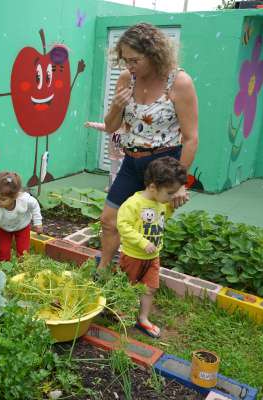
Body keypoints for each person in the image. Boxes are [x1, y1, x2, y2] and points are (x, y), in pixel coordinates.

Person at [97, 22, 199, 271]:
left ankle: (141, 281)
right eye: (125, 60)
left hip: (163, 163)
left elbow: (191, 138)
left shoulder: (179, 82)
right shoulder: (126, 79)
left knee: (148, 226)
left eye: (134, 60)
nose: (129, 67)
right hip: (132, 161)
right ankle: (103, 271)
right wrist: (116, 107)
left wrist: (178, 182)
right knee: (109, 220)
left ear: (154, 54)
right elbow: (111, 127)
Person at [117, 156, 187, 338]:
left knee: (150, 288)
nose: (173, 196)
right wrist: (142, 242)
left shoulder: (160, 202)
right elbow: (123, 225)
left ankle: (143, 318)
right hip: (132, 256)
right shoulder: (133, 204)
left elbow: (160, 221)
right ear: (153, 187)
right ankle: (121, 311)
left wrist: (171, 208)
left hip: (152, 257)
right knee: (127, 286)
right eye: (170, 193)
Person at [0, 172, 43, 261]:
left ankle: (23, 267)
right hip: (4, 229)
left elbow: (35, 205)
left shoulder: (25, 200)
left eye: (3, 199)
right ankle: (4, 267)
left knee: (23, 252)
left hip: (22, 227)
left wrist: (38, 223)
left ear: (15, 196)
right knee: (3, 252)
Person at [84, 121, 124, 191]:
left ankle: (122, 187)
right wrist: (91, 124)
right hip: (114, 155)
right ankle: (111, 186)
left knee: (123, 172)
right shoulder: (112, 127)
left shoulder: (128, 129)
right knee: (112, 172)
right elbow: (102, 126)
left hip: (124, 156)